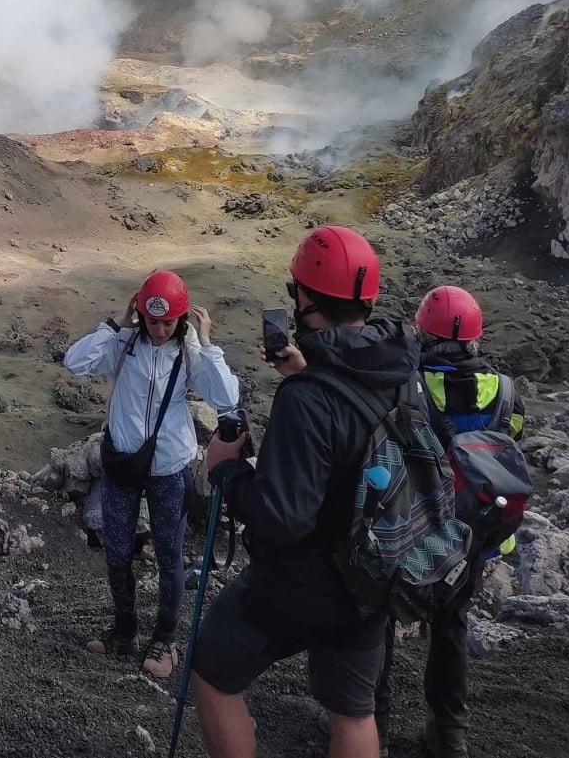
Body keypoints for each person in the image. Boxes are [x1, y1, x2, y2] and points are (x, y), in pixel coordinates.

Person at [195, 224, 415, 758]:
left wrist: (227, 472)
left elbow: (282, 518)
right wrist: (309, 368)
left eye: (296, 289)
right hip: (376, 573)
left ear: (307, 297)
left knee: (210, 673)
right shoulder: (402, 367)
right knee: (354, 712)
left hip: (302, 583)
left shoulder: (305, 399)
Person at [368, 284, 527, 758]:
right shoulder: (506, 391)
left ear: (423, 332)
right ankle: (449, 733)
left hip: (412, 535)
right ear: (474, 340)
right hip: (476, 536)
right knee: (451, 626)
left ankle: (373, 728)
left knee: (381, 624)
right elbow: (510, 442)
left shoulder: (407, 384)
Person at [64, 270, 240, 679]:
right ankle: (124, 631)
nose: (159, 330)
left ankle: (166, 640)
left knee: (168, 555)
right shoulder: (124, 345)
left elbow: (227, 397)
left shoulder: (189, 352)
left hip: (168, 468)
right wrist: (116, 325)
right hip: (123, 463)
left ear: (182, 319)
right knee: (117, 552)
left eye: (168, 322)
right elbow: (75, 362)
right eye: (151, 320)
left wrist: (207, 341)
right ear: (140, 314)